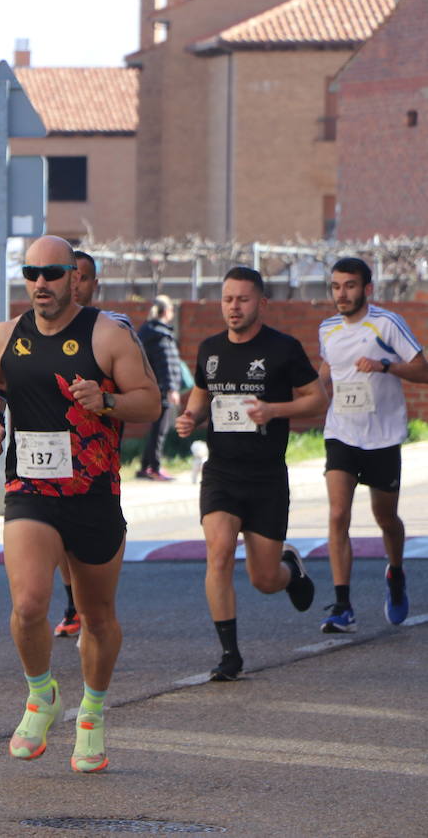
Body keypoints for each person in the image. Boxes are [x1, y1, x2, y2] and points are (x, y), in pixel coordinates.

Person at [0, 235, 160, 773]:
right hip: (30, 490)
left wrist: (106, 400)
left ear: (73, 278)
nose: (40, 284)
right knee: (29, 604)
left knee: (97, 617)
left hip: (93, 494)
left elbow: (149, 402)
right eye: (31, 273)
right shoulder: (4, 334)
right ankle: (41, 695)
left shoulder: (108, 334)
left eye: (52, 274)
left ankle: (93, 713)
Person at [176, 267, 325, 682]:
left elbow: (317, 398)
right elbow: (201, 397)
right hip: (222, 473)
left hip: (265, 478)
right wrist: (190, 417)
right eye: (227, 299)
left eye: (242, 299)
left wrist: (274, 410)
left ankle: (289, 569)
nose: (233, 307)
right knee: (219, 552)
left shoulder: (283, 348)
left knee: (263, 578)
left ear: (261, 303)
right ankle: (230, 654)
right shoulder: (209, 349)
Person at [316, 257, 428, 632]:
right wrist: (312, 394)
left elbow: (423, 370)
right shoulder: (327, 328)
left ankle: (395, 572)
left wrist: (385, 366)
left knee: (385, 517)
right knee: (337, 515)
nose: (341, 294)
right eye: (335, 286)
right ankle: (342, 605)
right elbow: (327, 371)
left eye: (349, 286)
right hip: (341, 431)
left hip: (382, 436)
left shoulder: (386, 323)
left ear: (367, 289)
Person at [52, 250, 139, 639]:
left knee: (88, 539)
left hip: (96, 453)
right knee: (54, 533)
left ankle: (93, 609)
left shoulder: (114, 327)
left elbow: (142, 389)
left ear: (94, 284)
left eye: (84, 278)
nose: (76, 284)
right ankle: (74, 604)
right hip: (50, 453)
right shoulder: (35, 328)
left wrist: (108, 402)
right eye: (70, 276)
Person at [136, 296, 185, 481]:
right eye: (171, 309)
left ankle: (144, 467)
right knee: (160, 429)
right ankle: (154, 468)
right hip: (161, 389)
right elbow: (166, 364)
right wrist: (172, 389)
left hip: (153, 387)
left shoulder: (152, 332)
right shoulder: (161, 335)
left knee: (156, 428)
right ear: (166, 311)